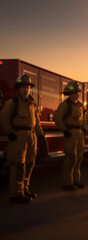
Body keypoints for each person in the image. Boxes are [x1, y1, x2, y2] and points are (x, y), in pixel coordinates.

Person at [0, 74, 43, 204]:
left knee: (30, 163)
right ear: (18, 89)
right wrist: (10, 132)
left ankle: (24, 189)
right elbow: (3, 118)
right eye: (23, 87)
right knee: (18, 164)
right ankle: (16, 194)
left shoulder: (32, 104)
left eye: (28, 87)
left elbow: (37, 122)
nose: (26, 90)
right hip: (18, 136)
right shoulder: (12, 103)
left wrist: (39, 135)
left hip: (31, 137)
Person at [54, 81, 86, 191]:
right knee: (71, 157)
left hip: (79, 133)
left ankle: (76, 180)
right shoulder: (65, 105)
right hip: (70, 133)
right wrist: (64, 130)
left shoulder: (80, 105)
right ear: (69, 94)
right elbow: (57, 118)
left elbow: (83, 118)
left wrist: (84, 128)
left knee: (79, 157)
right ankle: (67, 182)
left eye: (77, 92)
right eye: (74, 92)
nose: (76, 94)